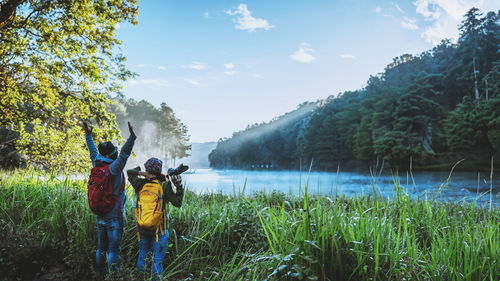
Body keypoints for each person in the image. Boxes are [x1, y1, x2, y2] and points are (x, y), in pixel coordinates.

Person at [83, 121, 136, 277]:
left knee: (101, 248)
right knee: (113, 250)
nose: (116, 153)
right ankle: (113, 277)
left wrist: (87, 134)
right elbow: (125, 153)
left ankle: (100, 275)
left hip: (100, 213)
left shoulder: (96, 163)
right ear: (108, 155)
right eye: (114, 151)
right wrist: (132, 138)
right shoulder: (114, 168)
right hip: (114, 215)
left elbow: (92, 150)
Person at [127, 157, 184, 280]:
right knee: (157, 261)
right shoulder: (164, 185)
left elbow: (130, 172)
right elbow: (178, 203)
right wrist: (178, 186)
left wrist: (141, 173)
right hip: (160, 230)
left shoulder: (140, 184)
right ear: (159, 171)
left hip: (142, 226)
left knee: (142, 257)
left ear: (147, 169)